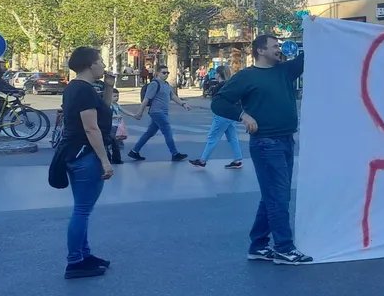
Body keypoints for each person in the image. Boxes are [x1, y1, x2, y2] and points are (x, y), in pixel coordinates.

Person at [212, 34, 312, 264]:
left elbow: (309, 56)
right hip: (266, 143)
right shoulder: (247, 77)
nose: (279, 49)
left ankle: (258, 245)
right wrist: (242, 115)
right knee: (278, 196)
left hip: (286, 140)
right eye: (274, 46)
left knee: (273, 195)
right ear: (260, 51)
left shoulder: (284, 71)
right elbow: (219, 102)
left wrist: (315, 28)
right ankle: (284, 247)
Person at [60, 47, 115, 279]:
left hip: (74, 153)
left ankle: (84, 254)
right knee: (82, 210)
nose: (103, 65)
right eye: (100, 61)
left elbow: (105, 112)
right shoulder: (83, 91)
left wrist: (110, 87)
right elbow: (91, 128)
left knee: (82, 209)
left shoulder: (77, 88)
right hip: (85, 155)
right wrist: (104, 160)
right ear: (90, 65)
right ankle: (74, 262)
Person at [128, 65, 191, 162]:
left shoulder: (166, 84)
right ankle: (175, 153)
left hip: (163, 112)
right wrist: (139, 113)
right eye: (164, 72)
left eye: (167, 73)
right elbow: (146, 99)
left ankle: (134, 151)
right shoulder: (154, 84)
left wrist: (183, 104)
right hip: (156, 112)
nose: (166, 74)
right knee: (167, 131)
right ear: (157, 73)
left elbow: (173, 96)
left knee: (149, 133)